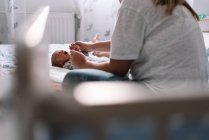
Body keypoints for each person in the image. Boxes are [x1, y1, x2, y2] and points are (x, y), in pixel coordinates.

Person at [63, 0, 208, 94]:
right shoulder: (173, 3)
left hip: (163, 100)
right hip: (195, 100)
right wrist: (91, 46)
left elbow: (117, 69)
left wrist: (84, 64)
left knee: (73, 78)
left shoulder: (133, 4)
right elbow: (130, 43)